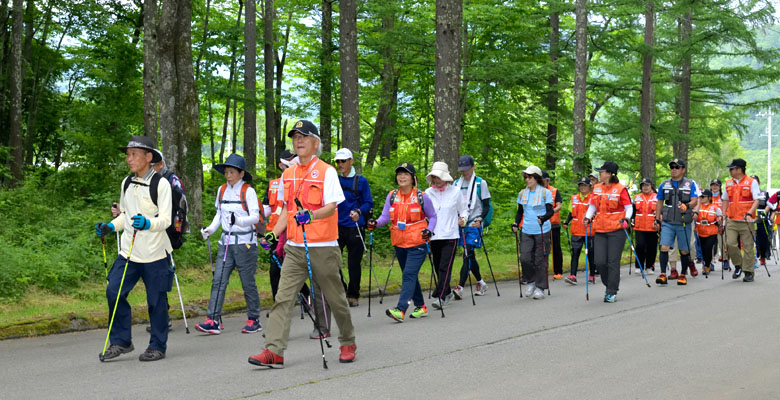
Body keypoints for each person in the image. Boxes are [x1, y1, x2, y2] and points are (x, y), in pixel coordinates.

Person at [249, 120, 356, 368]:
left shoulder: (327, 171)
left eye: (304, 137)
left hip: (324, 247)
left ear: (315, 143)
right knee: (283, 298)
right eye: (296, 137)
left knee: (335, 298)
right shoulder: (288, 174)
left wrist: (312, 215)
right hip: (295, 248)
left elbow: (331, 206)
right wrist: (274, 234)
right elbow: (287, 209)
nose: (299, 141)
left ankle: (348, 341)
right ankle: (274, 350)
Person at [95, 135, 173, 361]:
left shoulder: (162, 184)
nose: (129, 159)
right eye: (128, 155)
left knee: (156, 301)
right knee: (113, 291)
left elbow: (166, 220)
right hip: (128, 253)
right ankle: (121, 341)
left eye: (134, 154)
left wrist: (149, 223)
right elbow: (126, 217)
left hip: (156, 254)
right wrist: (110, 226)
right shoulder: (127, 182)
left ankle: (157, 346)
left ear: (148, 157)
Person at [197, 154, 262, 335]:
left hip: (245, 244)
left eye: (232, 172)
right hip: (225, 243)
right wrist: (210, 230)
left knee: (247, 282)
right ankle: (213, 320)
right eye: (226, 172)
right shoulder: (222, 190)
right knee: (218, 280)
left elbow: (255, 218)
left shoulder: (248, 191)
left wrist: (239, 221)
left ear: (241, 173)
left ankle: (254, 319)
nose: (228, 175)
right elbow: (220, 214)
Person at [368, 162, 437, 322]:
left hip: (418, 242)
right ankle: (421, 307)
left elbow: (433, 216)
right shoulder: (392, 195)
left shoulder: (421, 196)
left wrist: (430, 230)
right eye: (399, 174)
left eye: (405, 174)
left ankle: (400, 309)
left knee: (408, 274)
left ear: (413, 178)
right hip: (399, 243)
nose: (402, 176)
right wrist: (375, 223)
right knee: (410, 276)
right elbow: (385, 217)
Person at [583, 161, 632, 303]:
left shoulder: (621, 189)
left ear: (610, 174)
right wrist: (587, 217)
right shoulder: (597, 188)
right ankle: (609, 284)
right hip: (600, 230)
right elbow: (592, 206)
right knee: (599, 262)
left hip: (617, 230)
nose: (600, 173)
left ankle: (611, 291)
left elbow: (629, 207)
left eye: (602, 171)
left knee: (612, 261)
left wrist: (626, 219)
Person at [334, 148, 374, 307]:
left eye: (343, 161)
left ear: (351, 161)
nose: (340, 164)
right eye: (338, 161)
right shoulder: (334, 180)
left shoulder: (361, 181)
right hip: (337, 227)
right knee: (332, 262)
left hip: (355, 226)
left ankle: (353, 295)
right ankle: (342, 289)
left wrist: (359, 211)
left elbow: (368, 203)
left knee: (353, 263)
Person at [424, 161, 467, 309]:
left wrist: (463, 219)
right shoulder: (427, 193)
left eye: (439, 177)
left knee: (445, 267)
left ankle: (441, 297)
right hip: (434, 235)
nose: (436, 180)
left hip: (451, 234)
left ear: (446, 178)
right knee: (437, 266)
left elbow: (464, 210)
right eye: (434, 177)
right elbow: (424, 213)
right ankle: (447, 291)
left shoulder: (456, 191)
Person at [452, 155, 492, 298]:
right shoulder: (456, 184)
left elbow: (486, 206)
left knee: (467, 253)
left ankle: (460, 287)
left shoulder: (481, 183)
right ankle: (481, 282)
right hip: (461, 223)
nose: (464, 173)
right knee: (470, 255)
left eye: (467, 169)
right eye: (462, 170)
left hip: (475, 223)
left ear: (473, 167)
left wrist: (480, 219)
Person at [654, 159, 699, 286]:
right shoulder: (664, 184)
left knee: (684, 250)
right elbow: (659, 202)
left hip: (683, 221)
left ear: (683, 170)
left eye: (677, 167)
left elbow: (695, 200)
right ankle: (663, 274)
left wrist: (687, 205)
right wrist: (657, 218)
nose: (673, 169)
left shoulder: (690, 184)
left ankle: (683, 274)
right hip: (668, 221)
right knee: (664, 246)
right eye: (672, 167)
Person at [512, 166, 553, 299]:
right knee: (525, 258)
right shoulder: (522, 193)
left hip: (542, 230)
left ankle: (540, 288)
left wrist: (543, 218)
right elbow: (520, 212)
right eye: (525, 177)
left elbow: (550, 211)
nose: (527, 179)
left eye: (529, 177)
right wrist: (516, 224)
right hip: (527, 230)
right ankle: (531, 281)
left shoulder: (545, 193)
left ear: (536, 178)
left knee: (540, 259)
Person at [721, 158, 760, 282]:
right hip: (732, 219)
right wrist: (723, 214)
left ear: (739, 169)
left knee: (748, 246)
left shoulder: (751, 182)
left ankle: (748, 272)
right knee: (730, 243)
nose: (730, 171)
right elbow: (725, 200)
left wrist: (750, 213)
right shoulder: (728, 183)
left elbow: (756, 200)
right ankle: (738, 265)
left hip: (746, 220)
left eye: (732, 169)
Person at [563, 176, 595, 284]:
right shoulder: (574, 198)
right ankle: (573, 275)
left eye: (585, 185)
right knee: (575, 253)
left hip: (589, 230)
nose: (583, 187)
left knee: (590, 253)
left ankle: (592, 275)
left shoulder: (593, 198)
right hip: (576, 230)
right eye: (581, 185)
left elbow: (596, 213)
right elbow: (571, 213)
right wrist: (566, 222)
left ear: (589, 187)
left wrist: (590, 220)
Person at [632, 178, 658, 275]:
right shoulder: (637, 197)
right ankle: (639, 265)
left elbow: (660, 212)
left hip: (652, 226)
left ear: (651, 186)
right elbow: (633, 211)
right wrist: (631, 220)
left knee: (652, 247)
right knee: (640, 246)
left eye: (647, 185)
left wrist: (659, 223)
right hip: (639, 226)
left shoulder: (657, 197)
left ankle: (649, 266)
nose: (645, 187)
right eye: (643, 185)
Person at [693, 190, 723, 275]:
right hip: (701, 231)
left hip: (712, 232)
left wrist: (720, 220)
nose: (701, 198)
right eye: (701, 197)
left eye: (703, 196)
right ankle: (705, 263)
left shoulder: (715, 207)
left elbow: (720, 216)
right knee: (703, 249)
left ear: (709, 198)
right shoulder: (698, 206)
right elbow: (694, 216)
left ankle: (706, 266)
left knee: (708, 248)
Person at [542, 170, 564, 280]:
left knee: (556, 248)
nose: (543, 182)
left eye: (545, 180)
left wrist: (549, 213)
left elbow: (559, 206)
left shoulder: (554, 191)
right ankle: (543, 271)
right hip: (541, 224)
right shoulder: (537, 192)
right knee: (542, 248)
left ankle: (558, 271)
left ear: (548, 180)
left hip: (553, 223)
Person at [752, 175, 772, 265]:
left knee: (762, 239)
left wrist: (765, 212)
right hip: (750, 219)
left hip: (761, 220)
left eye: (755, 181)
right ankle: (754, 256)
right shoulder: (746, 193)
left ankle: (763, 256)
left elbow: (769, 204)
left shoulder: (764, 193)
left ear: (758, 183)